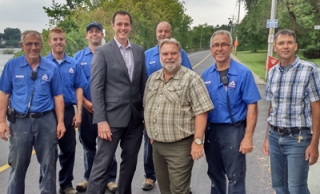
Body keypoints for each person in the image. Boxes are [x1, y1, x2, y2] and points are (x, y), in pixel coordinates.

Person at [86, 11, 146, 194]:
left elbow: (142, 85)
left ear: (130, 26)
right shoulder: (103, 52)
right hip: (110, 121)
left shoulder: (139, 51)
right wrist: (101, 120)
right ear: (112, 26)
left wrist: (144, 116)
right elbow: (96, 88)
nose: (123, 28)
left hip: (135, 121)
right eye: (119, 24)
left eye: (126, 24)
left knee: (129, 164)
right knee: (101, 165)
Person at [144, 38, 214, 194]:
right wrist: (151, 132)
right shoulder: (153, 79)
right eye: (165, 53)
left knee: (178, 190)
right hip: (157, 146)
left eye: (173, 53)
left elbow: (202, 111)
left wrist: (197, 141)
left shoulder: (192, 79)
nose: (169, 57)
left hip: (180, 147)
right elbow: (148, 106)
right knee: (165, 188)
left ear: (180, 55)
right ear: (160, 56)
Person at [0, 30, 66, 194]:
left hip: (46, 121)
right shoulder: (12, 66)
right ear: (22, 45)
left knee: (49, 165)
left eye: (36, 44)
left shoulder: (51, 68)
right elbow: (5, 94)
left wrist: (61, 122)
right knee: (17, 166)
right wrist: (1, 121)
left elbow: (58, 96)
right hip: (20, 122)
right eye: (29, 44)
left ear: (42, 46)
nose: (33, 47)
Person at [202, 30, 261, 194]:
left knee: (235, 176)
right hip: (211, 130)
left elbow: (252, 106)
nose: (219, 49)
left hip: (233, 130)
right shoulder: (206, 74)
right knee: (215, 174)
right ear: (211, 49)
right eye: (216, 45)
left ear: (230, 48)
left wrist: (248, 137)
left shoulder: (243, 73)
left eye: (224, 45)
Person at [262, 29, 320, 194]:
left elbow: (317, 108)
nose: (285, 46)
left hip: (298, 139)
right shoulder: (272, 73)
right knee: (279, 187)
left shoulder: (310, 70)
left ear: (296, 46)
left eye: (289, 43)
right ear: (275, 47)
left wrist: (315, 143)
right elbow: (272, 107)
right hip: (274, 137)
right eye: (281, 43)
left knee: (296, 188)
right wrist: (267, 138)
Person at [142, 21, 193, 191]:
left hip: (175, 111)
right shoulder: (148, 54)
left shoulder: (181, 53)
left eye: (166, 31)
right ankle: (150, 176)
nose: (163, 34)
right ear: (155, 33)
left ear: (170, 33)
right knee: (151, 148)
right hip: (153, 109)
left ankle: (181, 182)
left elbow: (189, 75)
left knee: (177, 163)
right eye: (160, 31)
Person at [74, 22, 118, 193]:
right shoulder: (78, 57)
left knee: (107, 142)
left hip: (107, 109)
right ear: (86, 36)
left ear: (102, 34)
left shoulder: (110, 53)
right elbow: (76, 84)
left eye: (97, 32)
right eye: (90, 32)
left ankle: (111, 178)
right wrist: (85, 102)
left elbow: (115, 82)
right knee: (88, 144)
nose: (94, 34)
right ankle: (89, 177)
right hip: (86, 108)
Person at [45, 27, 87, 194]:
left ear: (65, 41)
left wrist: (79, 112)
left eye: (61, 39)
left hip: (69, 111)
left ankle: (66, 185)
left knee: (68, 150)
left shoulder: (74, 64)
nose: (58, 42)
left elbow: (79, 88)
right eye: (55, 39)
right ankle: (47, 187)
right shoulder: (42, 64)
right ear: (49, 42)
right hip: (48, 113)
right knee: (47, 152)